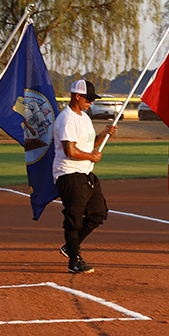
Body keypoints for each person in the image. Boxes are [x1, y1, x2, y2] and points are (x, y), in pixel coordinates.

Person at [53, 80, 117, 274]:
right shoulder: (67, 119)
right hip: (70, 173)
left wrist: (104, 135)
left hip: (85, 173)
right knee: (74, 218)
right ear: (77, 96)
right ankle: (74, 260)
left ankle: (70, 246)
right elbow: (70, 150)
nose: (91, 102)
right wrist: (92, 156)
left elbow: (87, 144)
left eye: (93, 99)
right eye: (88, 98)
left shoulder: (84, 117)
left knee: (99, 213)